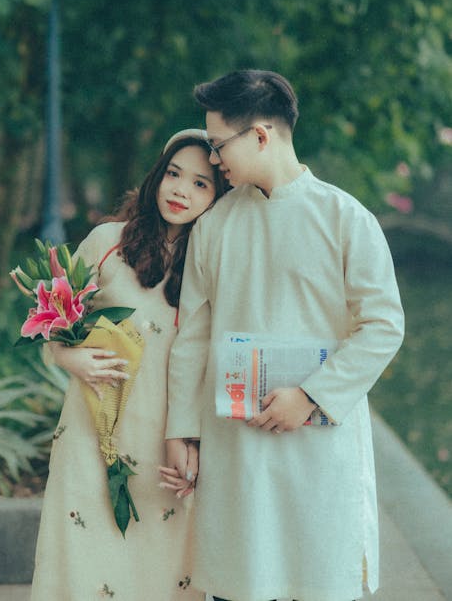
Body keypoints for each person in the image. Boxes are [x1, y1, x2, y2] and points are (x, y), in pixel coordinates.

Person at [164, 71, 405, 601]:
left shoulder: (346, 219)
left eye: (218, 143)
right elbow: (193, 339)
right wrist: (182, 430)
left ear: (261, 135)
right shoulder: (215, 226)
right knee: (238, 582)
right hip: (237, 446)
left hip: (317, 442)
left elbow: (384, 325)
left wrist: (313, 395)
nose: (214, 157)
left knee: (316, 577)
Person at [30, 129, 227, 601]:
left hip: (169, 444)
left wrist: (197, 442)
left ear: (220, 195)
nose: (181, 190)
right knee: (81, 560)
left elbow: (215, 360)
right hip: (89, 432)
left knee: (158, 568)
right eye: (174, 175)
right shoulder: (107, 243)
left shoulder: (214, 262)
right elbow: (47, 327)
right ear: (158, 175)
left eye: (201, 183)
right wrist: (69, 357)